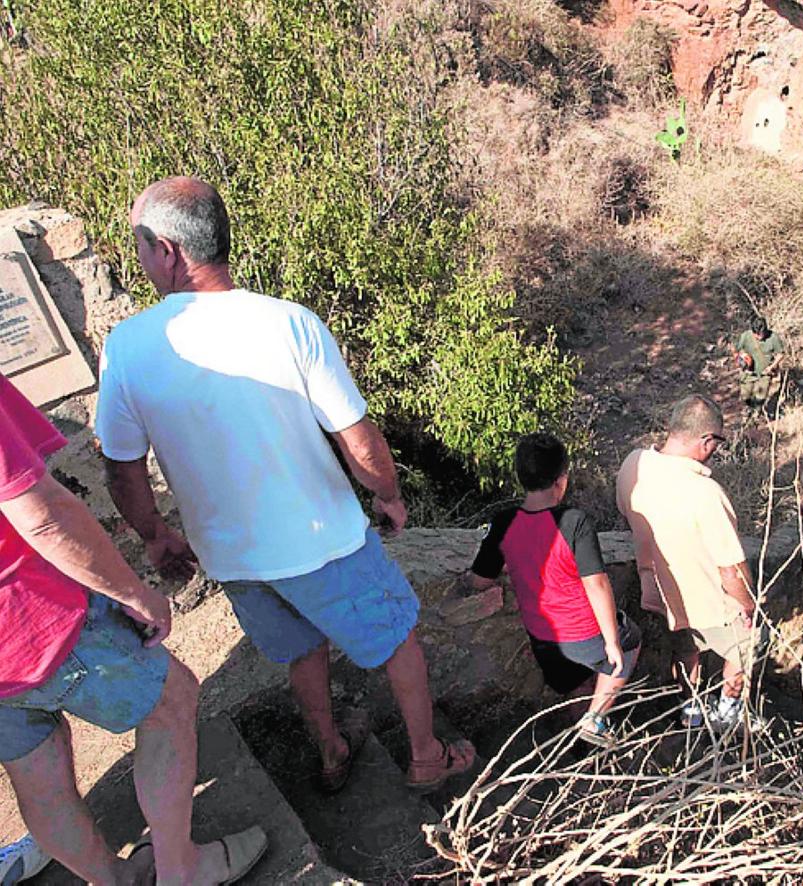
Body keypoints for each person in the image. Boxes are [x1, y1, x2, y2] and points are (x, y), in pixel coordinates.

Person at [97, 176, 474, 794]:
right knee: (397, 636)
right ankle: (427, 757)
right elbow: (356, 434)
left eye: (140, 244)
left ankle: (330, 749)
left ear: (166, 250)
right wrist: (387, 494)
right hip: (321, 539)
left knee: (301, 648)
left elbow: (122, 467)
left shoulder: (127, 347)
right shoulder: (289, 323)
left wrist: (156, 535)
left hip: (233, 557)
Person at [0, 373, 266, 884]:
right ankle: (181, 870)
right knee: (169, 702)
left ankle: (114, 880)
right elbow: (43, 517)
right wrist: (133, 593)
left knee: (38, 779)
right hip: (34, 621)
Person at [464, 433, 641, 747]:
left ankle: (582, 744)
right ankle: (595, 719)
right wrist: (612, 641)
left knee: (575, 685)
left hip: (542, 639)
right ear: (562, 479)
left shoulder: (504, 522)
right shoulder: (574, 522)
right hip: (584, 634)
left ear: (520, 477)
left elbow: (479, 580)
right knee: (631, 642)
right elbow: (597, 584)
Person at [616, 395, 759, 730]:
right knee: (745, 648)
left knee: (684, 649)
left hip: (659, 594)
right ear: (706, 440)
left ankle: (691, 707)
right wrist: (748, 603)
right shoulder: (705, 493)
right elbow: (730, 569)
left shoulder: (632, 465)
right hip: (710, 602)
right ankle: (729, 710)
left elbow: (627, 515)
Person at [735, 316, 785, 414]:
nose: (758, 337)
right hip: (748, 372)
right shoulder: (745, 336)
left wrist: (772, 367)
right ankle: (749, 408)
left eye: (760, 334)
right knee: (745, 395)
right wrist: (742, 357)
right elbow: (737, 351)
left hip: (764, 372)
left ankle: (756, 413)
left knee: (761, 396)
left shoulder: (773, 337)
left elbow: (781, 354)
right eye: (756, 334)